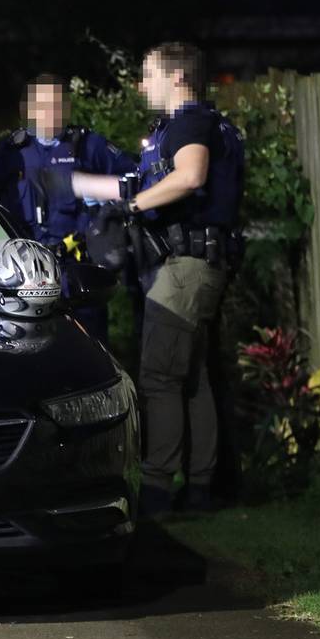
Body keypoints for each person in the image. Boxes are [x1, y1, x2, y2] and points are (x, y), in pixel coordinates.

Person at [51, 42, 244, 515]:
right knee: (190, 378)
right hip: (194, 264)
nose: (143, 84)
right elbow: (144, 182)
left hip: (186, 267)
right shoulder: (183, 126)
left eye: (149, 74)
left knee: (158, 377)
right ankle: (198, 488)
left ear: (177, 77)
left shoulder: (191, 122)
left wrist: (132, 207)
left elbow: (190, 176)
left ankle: (156, 490)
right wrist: (76, 186)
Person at [0, 73, 135, 336]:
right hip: (25, 272)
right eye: (42, 106)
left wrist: (99, 190)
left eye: (57, 104)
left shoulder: (89, 145)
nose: (50, 113)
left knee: (88, 348)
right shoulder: (11, 151)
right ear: (29, 110)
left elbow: (133, 180)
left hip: (77, 270)